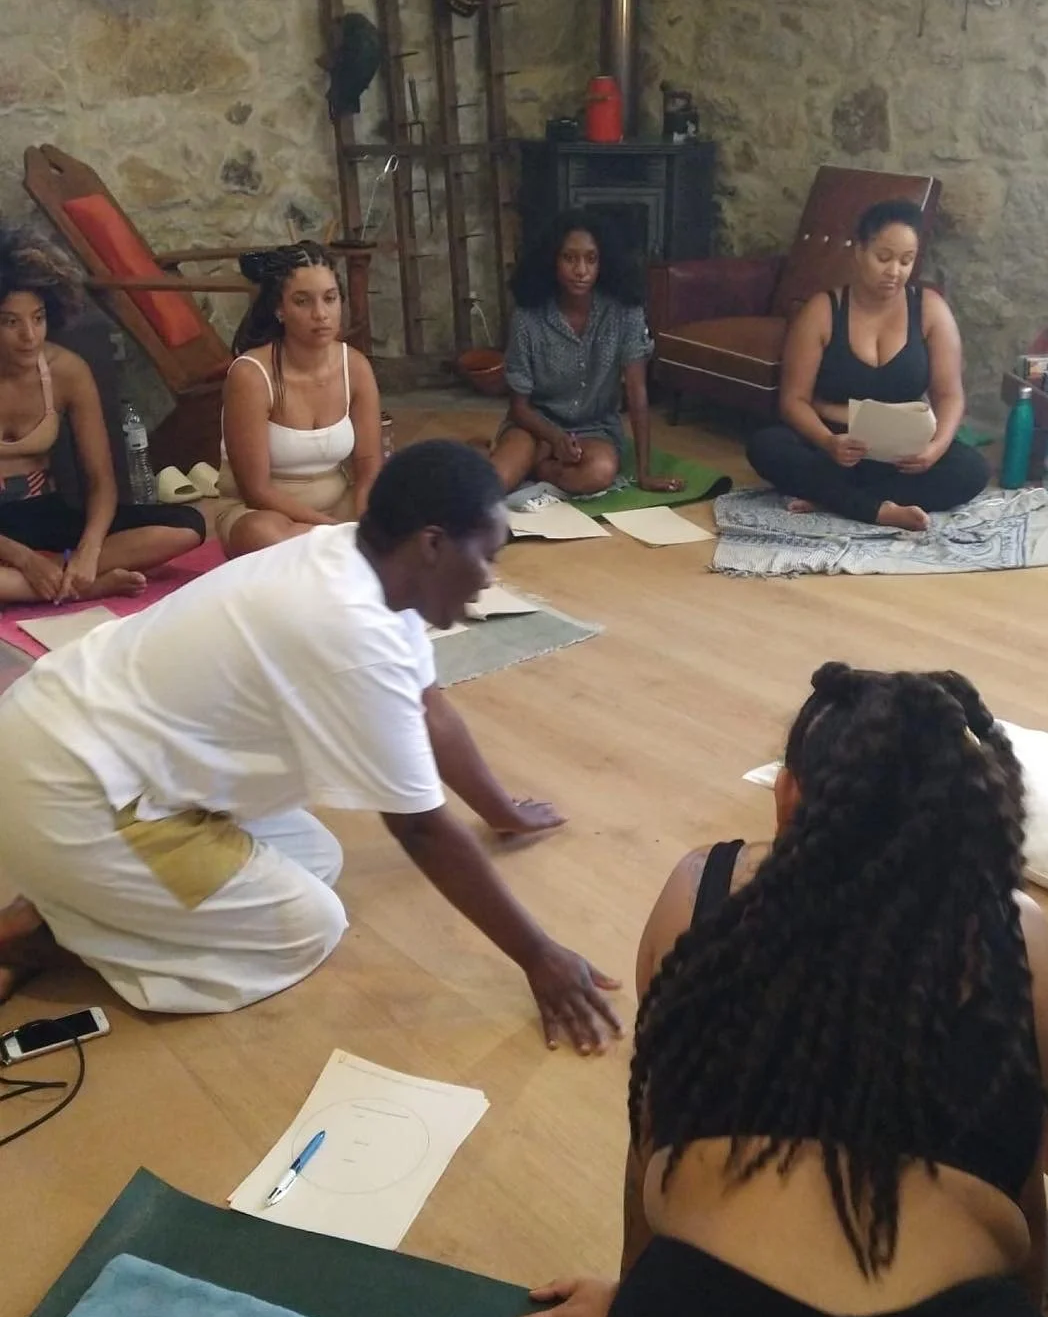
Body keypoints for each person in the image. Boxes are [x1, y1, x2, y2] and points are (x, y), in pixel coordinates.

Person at [485, 664, 1048, 1317]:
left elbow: (650, 1148)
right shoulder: (1024, 942)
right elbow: (1016, 1190)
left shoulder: (699, 895)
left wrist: (633, 1304)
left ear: (789, 796)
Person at [0, 441, 622, 1054]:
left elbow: (429, 709)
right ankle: (54, 928)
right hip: (77, 791)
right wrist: (539, 955)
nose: (488, 578)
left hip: (74, 744)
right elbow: (421, 829)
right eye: (485, 556)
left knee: (316, 859)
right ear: (432, 545)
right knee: (306, 927)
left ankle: (79, 895)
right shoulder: (352, 630)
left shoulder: (356, 557)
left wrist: (501, 812)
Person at [744, 199, 990, 533]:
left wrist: (935, 448)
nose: (894, 272)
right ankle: (877, 509)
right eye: (883, 258)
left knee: (971, 469)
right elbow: (793, 400)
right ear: (859, 251)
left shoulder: (930, 309)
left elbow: (950, 395)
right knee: (766, 445)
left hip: (901, 454)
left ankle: (835, 499)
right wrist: (828, 442)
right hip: (835, 448)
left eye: (906, 260)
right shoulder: (823, 311)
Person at [0, 226, 204, 604]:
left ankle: (57, 577)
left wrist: (88, 552)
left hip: (46, 514)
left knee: (186, 526)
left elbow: (101, 482)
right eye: (10, 322)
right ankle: (79, 587)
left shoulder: (67, 371)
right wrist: (25, 560)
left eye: (38, 318)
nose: (30, 335)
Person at [490, 210, 678, 496]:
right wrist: (554, 438)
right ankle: (522, 460)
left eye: (591, 259)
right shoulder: (527, 318)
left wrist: (644, 472)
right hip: (535, 428)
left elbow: (636, 392)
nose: (581, 270)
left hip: (595, 430)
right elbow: (519, 407)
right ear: (552, 260)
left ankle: (539, 469)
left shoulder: (625, 313)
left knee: (600, 472)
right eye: (569, 258)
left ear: (604, 263)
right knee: (494, 483)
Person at [214, 242, 383, 557]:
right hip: (266, 515)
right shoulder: (250, 375)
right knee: (262, 534)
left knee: (414, 507)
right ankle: (343, 552)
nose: (320, 314)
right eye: (302, 301)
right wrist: (336, 531)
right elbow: (256, 491)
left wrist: (363, 520)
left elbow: (368, 466)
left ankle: (338, 552)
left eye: (330, 299)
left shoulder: (356, 366)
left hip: (338, 506)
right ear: (279, 309)